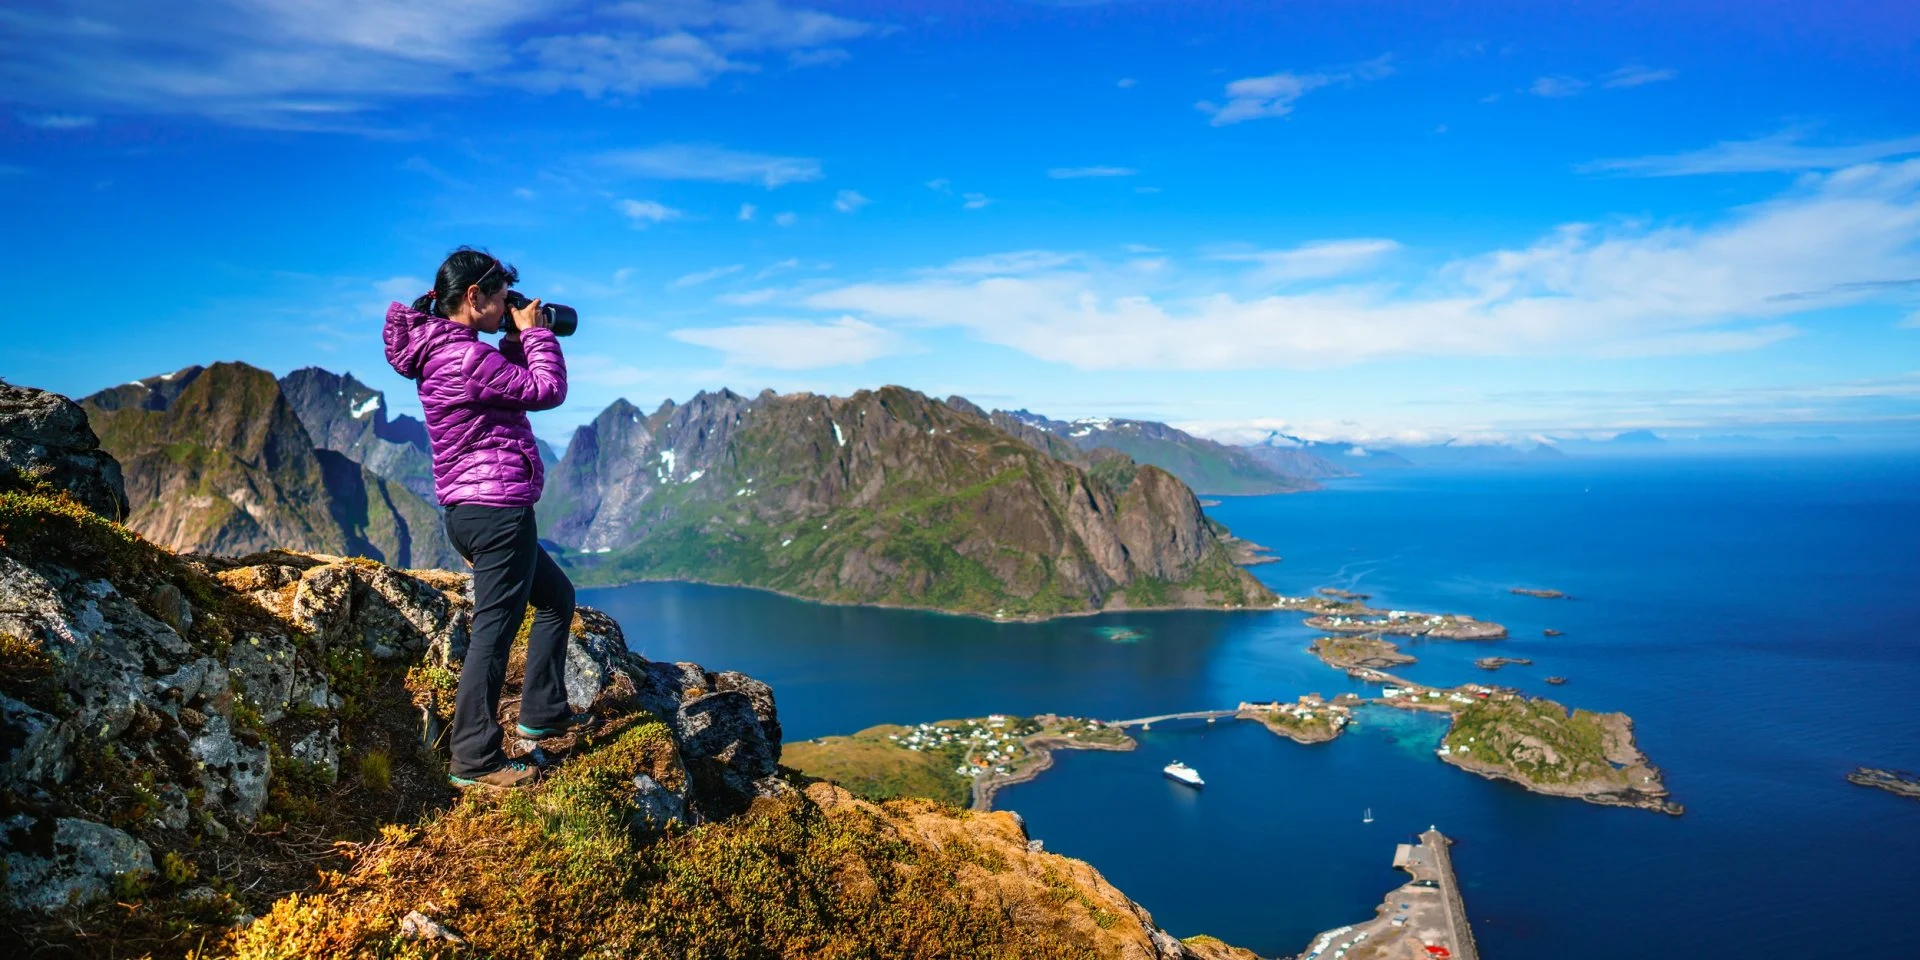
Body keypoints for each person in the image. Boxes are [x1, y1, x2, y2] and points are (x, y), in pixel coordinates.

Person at [383, 247, 588, 790]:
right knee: (492, 633)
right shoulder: (465, 358)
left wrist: (518, 338)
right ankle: (474, 757)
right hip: (497, 511)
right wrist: (538, 335)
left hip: (471, 508)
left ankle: (542, 712)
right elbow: (546, 390)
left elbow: (508, 389)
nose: (506, 307)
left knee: (556, 598)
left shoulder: (448, 353)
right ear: (473, 297)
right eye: (500, 298)